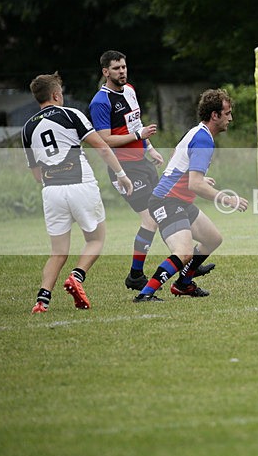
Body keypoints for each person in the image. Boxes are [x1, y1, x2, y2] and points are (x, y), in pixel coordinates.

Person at [89, 50, 216, 291]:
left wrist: (149, 148)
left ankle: (185, 260)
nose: (122, 71)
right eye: (116, 68)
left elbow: (136, 124)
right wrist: (139, 136)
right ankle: (138, 274)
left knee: (165, 205)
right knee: (151, 217)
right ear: (105, 72)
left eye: (124, 67)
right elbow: (104, 140)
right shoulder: (100, 102)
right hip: (123, 168)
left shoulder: (130, 90)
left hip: (142, 164)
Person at [22, 73, 133, 313]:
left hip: (51, 191)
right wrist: (121, 174)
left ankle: (41, 301)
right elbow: (102, 146)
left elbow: (36, 175)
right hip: (80, 184)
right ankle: (76, 276)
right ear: (56, 95)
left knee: (58, 252)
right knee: (96, 240)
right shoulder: (71, 114)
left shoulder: (27, 128)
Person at [133, 88, 248, 302]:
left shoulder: (198, 132)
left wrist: (197, 178)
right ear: (215, 115)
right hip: (166, 201)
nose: (230, 118)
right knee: (184, 252)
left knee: (212, 239)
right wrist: (227, 199)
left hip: (178, 200)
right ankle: (145, 293)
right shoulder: (203, 139)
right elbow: (195, 185)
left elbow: (177, 159)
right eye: (227, 113)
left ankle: (183, 284)